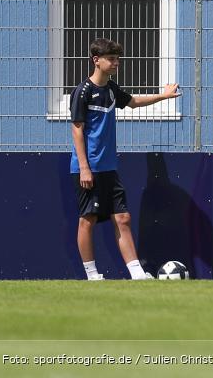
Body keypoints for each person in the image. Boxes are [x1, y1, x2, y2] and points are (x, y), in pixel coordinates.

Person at [70, 37, 181, 280]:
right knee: (87, 220)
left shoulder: (111, 89)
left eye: (117, 59)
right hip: (88, 167)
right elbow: (77, 130)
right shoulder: (83, 91)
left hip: (109, 168)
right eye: (111, 59)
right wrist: (84, 168)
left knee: (122, 217)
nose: (116, 62)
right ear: (96, 60)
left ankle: (137, 274)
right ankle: (92, 275)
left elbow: (132, 102)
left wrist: (164, 96)